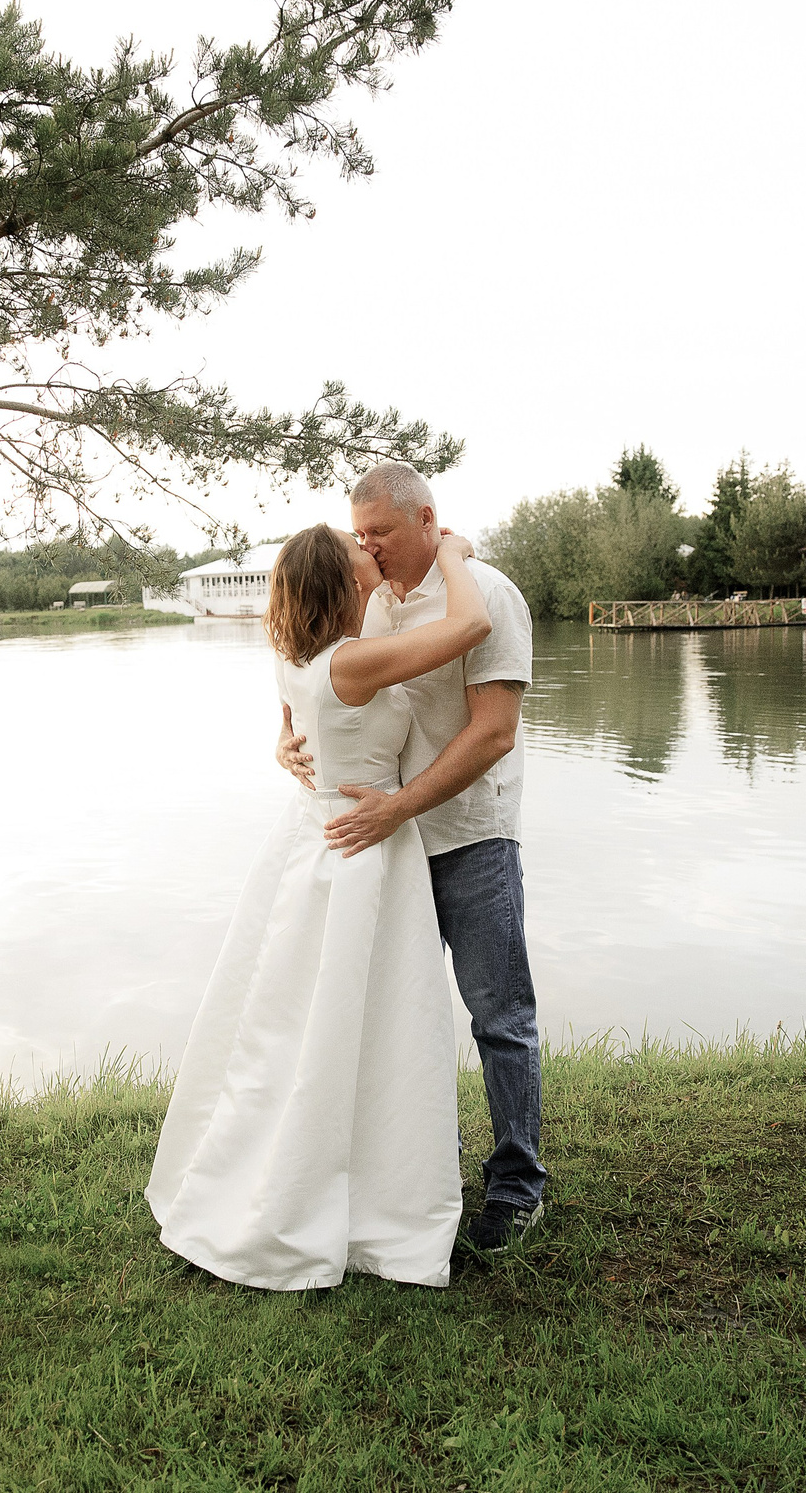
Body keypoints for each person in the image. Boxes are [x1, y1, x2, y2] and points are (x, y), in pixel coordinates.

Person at [145, 523, 495, 1290]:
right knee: (369, 1022)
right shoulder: (352, 661)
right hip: (364, 846)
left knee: (301, 1026)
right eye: (352, 543)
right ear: (342, 580)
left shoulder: (292, 653)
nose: (364, 540)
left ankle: (336, 1176)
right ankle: (348, 1199)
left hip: (315, 840)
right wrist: (452, 555)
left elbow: (289, 725)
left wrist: (286, 744)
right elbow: (471, 625)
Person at [278, 463, 544, 1254]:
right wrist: (288, 743)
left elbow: (493, 731)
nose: (368, 547)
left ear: (428, 520)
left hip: (467, 836)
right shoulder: (368, 601)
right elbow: (311, 684)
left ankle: (516, 1185)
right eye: (359, 535)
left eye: (380, 534)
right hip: (382, 856)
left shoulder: (486, 596)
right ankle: (397, 1178)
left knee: (500, 1018)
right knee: (389, 1022)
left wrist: (398, 805)